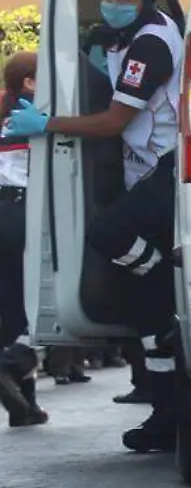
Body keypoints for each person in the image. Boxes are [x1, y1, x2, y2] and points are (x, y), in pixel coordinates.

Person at [6, 0, 183, 452]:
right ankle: (166, 415)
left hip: (167, 169)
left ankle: (163, 283)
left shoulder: (151, 43)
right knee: (148, 317)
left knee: (107, 232)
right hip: (144, 171)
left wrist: (47, 123)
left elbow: (114, 121)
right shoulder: (127, 37)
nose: (113, 1)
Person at [0, 52, 49, 428]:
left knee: (12, 306)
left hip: (3, 211)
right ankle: (11, 363)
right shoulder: (35, 116)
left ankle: (26, 406)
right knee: (33, 306)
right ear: (29, 83)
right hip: (24, 212)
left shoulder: (3, 115)